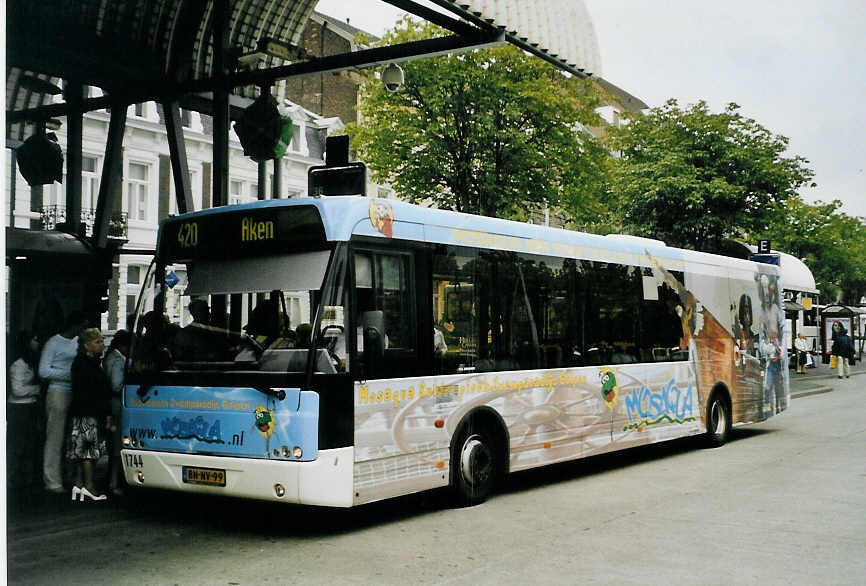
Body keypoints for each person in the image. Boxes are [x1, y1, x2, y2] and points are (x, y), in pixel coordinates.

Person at [39, 310, 88, 494]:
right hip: (58, 391)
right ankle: (52, 480)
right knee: (55, 437)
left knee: (71, 437)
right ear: (75, 325)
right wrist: (69, 376)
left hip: (74, 392)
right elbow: (43, 371)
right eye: (83, 326)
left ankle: (68, 475)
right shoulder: (53, 342)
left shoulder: (78, 342)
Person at [68, 328, 113, 502]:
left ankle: (79, 485)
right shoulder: (87, 365)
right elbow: (95, 391)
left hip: (84, 411)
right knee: (88, 451)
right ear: (87, 345)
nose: (101, 344)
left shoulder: (82, 363)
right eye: (97, 342)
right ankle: (89, 486)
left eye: (101, 341)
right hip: (88, 412)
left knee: (83, 450)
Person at [7, 330, 43, 502]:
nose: (37, 342)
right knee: (18, 444)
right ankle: (12, 477)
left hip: (29, 407)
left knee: (29, 443)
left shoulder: (30, 363)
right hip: (19, 408)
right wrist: (36, 390)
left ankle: (24, 478)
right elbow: (18, 390)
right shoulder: (18, 365)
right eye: (35, 339)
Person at [103, 329, 131, 495]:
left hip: (111, 404)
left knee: (113, 443)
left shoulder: (110, 357)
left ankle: (112, 479)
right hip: (117, 404)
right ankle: (114, 482)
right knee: (117, 445)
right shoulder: (118, 361)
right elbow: (116, 385)